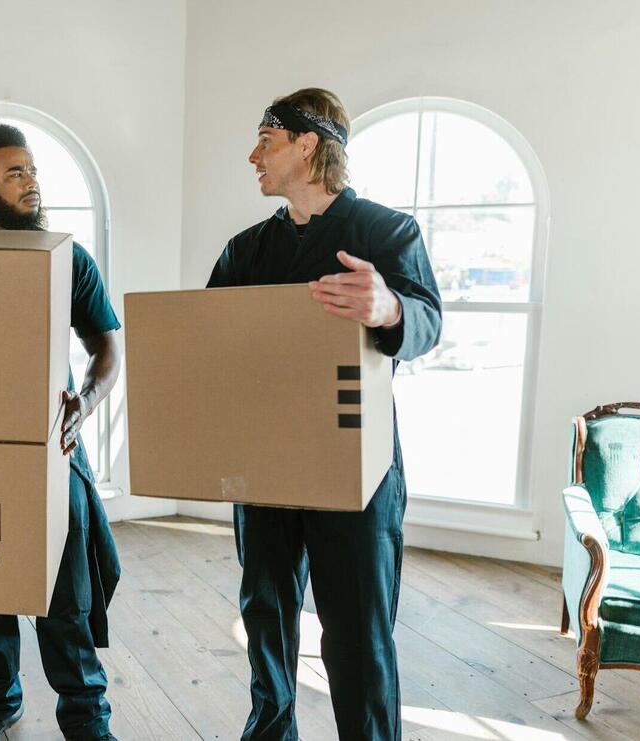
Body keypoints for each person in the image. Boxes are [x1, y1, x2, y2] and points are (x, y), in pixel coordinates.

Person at [207, 88, 442, 740]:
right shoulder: (245, 250)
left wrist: (389, 306)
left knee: (357, 633)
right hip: (265, 463)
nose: (253, 155)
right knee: (265, 615)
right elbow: (205, 341)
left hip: (355, 468)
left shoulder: (386, 232)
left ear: (309, 145)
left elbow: (428, 322)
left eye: (267, 139)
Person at [0, 123, 122, 741]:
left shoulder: (67, 258)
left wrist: (84, 405)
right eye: (15, 173)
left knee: (65, 590)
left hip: (52, 447)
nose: (32, 182)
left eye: (33, 170)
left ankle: (85, 715)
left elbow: (106, 348)